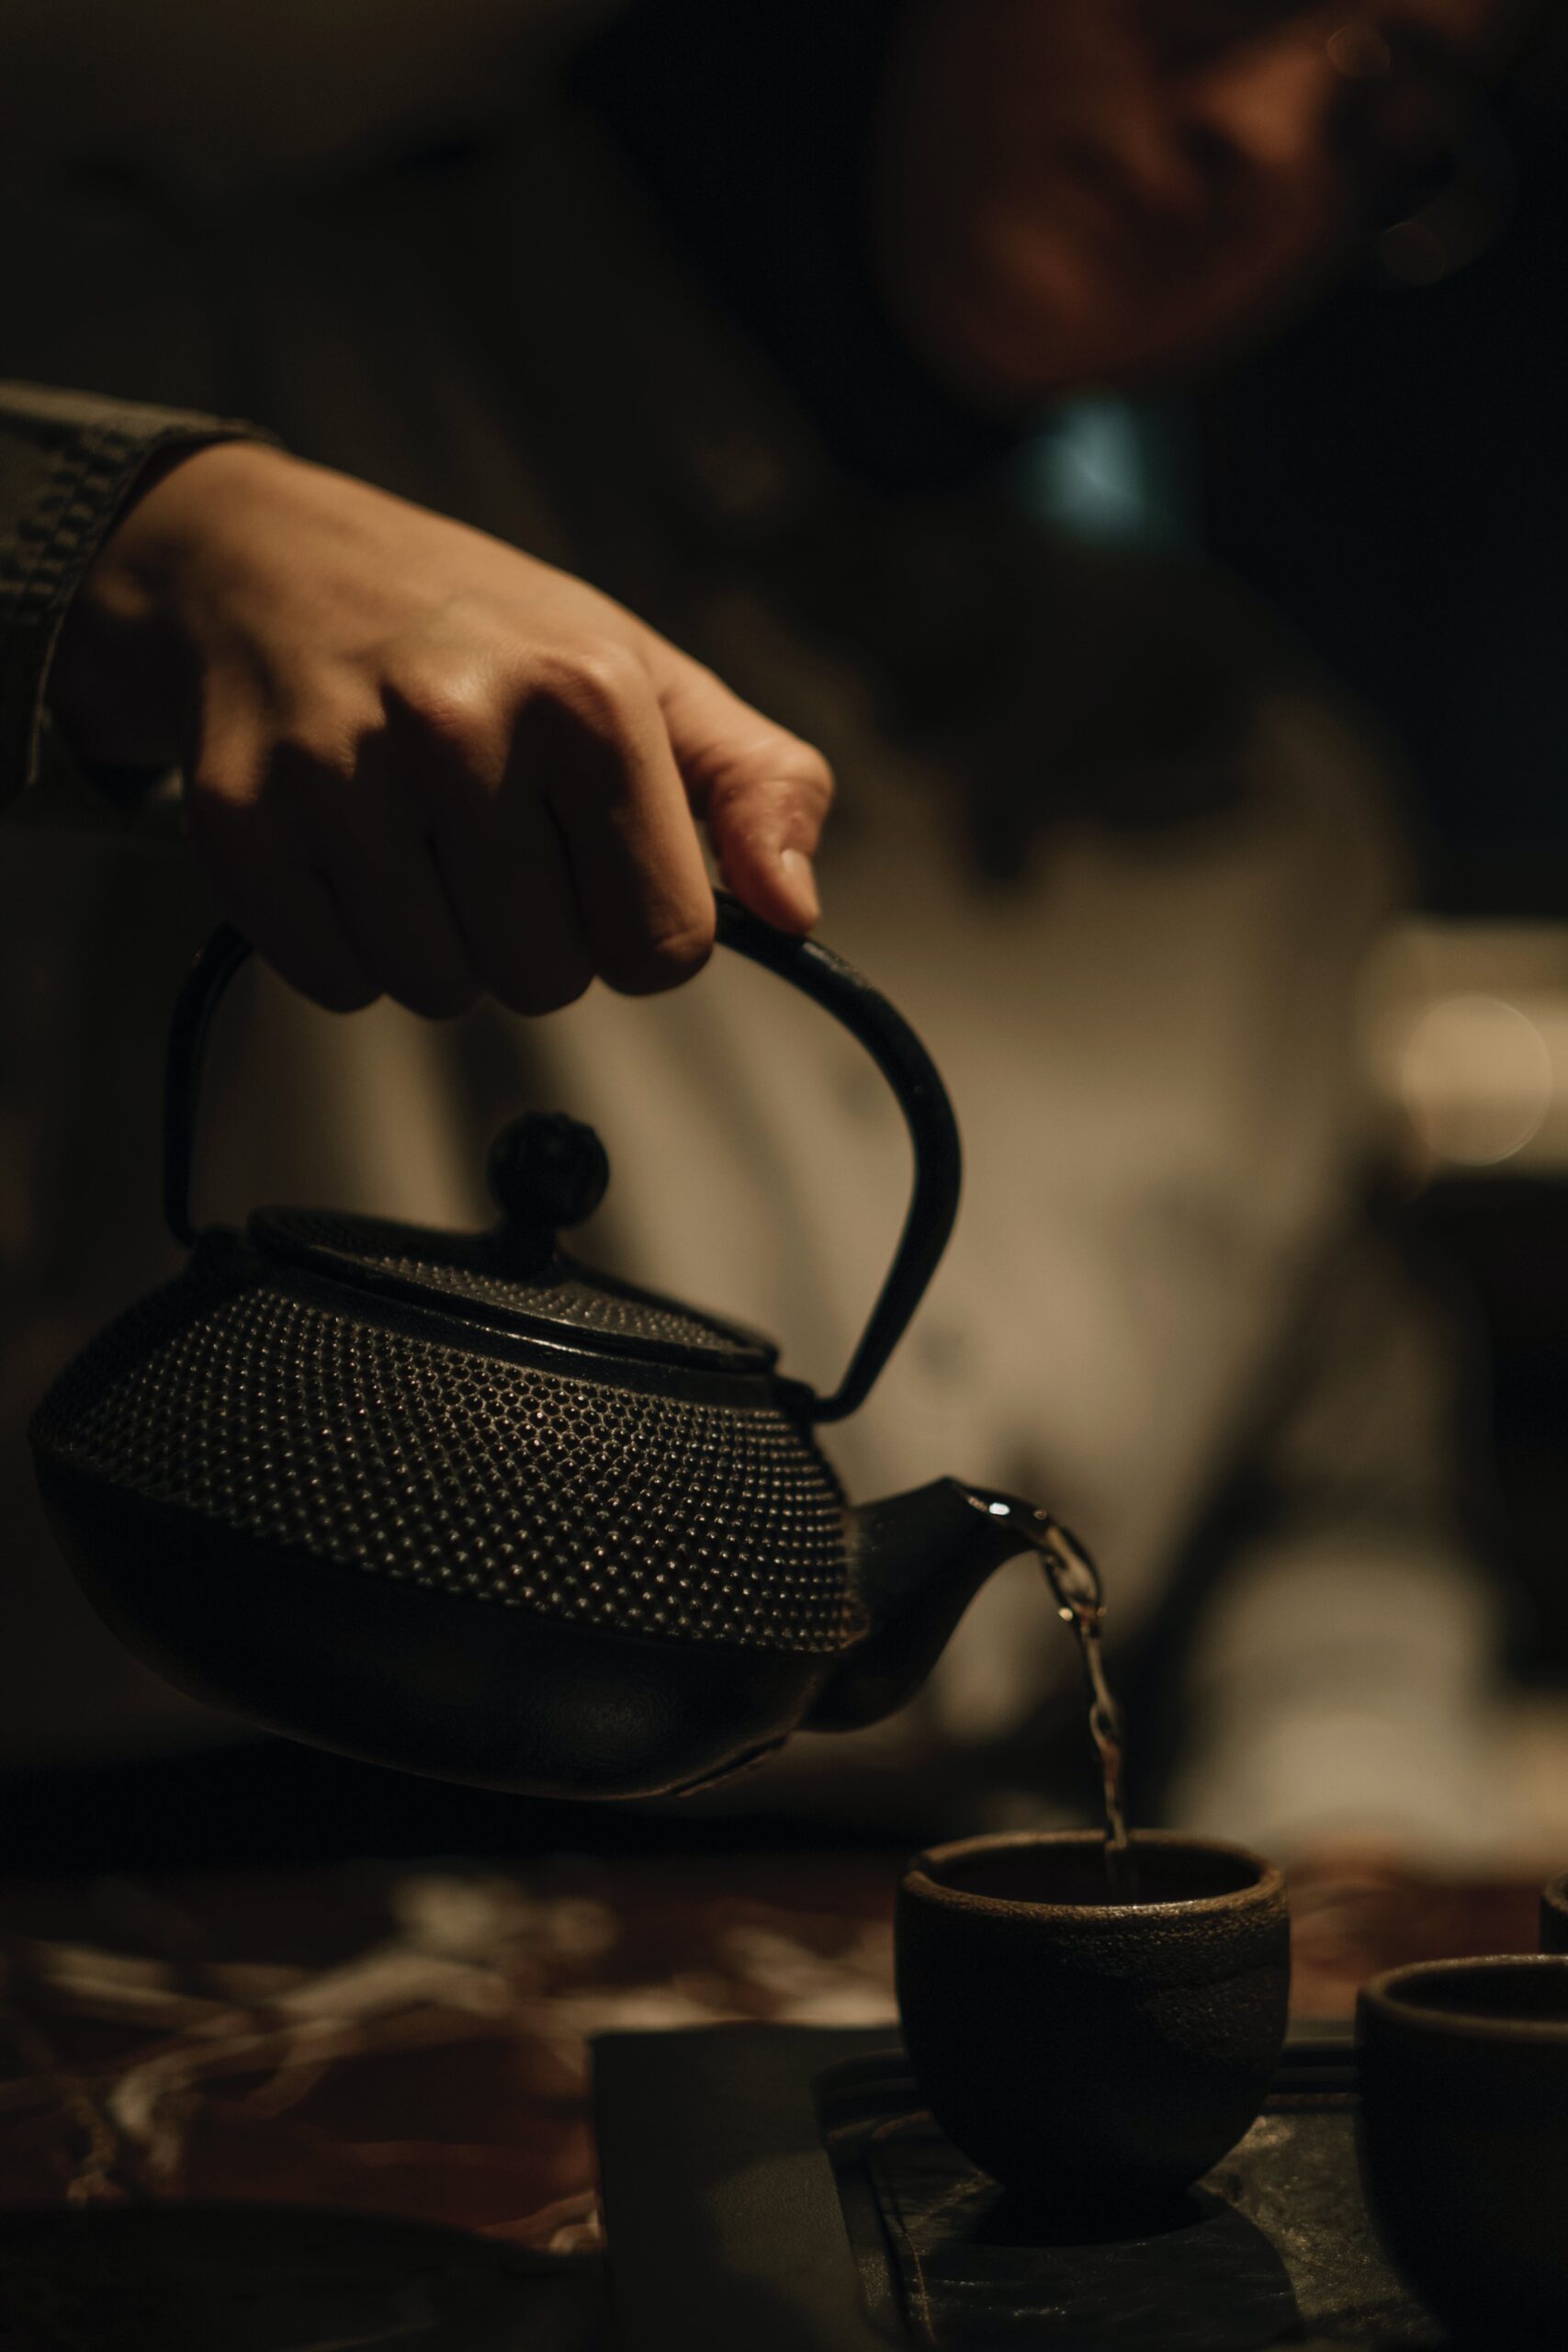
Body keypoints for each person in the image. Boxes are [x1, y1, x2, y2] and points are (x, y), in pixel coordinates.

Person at [0, 0, 1540, 1853]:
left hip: (908, 1969)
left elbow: (1339, 1516)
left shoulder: (1269, 788)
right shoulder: (231, 365)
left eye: (1394, 116)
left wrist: (1340, 1886)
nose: (1269, 136)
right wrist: (155, 544)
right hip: (191, 1903)